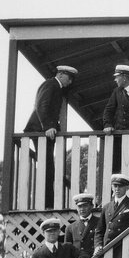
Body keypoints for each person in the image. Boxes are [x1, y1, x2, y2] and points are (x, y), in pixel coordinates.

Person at [23, 65, 78, 208]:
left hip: (45, 132)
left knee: (49, 167)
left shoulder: (57, 87)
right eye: (69, 78)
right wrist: (47, 126)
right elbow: (42, 105)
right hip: (40, 130)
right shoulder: (51, 84)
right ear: (60, 74)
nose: (70, 81)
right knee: (47, 167)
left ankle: (49, 201)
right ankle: (46, 203)